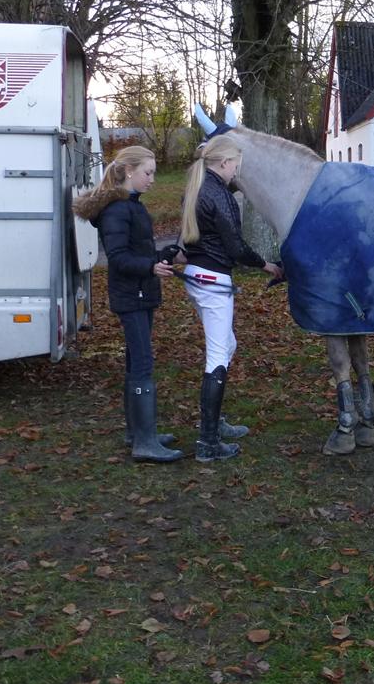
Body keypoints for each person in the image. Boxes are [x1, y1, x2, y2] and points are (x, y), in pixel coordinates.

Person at [73, 146, 183, 463]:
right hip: (131, 296)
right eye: (148, 173)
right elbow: (119, 258)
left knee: (138, 361)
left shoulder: (132, 206)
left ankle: (137, 432)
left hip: (140, 293)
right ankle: (144, 441)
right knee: (143, 364)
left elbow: (137, 251)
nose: (152, 179)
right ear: (129, 172)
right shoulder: (118, 210)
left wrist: (162, 257)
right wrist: (149, 267)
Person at [179, 135, 282, 462]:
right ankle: (207, 442)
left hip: (197, 276)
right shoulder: (218, 195)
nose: (238, 170)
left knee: (227, 346)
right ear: (224, 163)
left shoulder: (198, 187)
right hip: (213, 280)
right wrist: (267, 265)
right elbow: (235, 247)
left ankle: (214, 421)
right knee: (218, 356)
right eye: (236, 164)